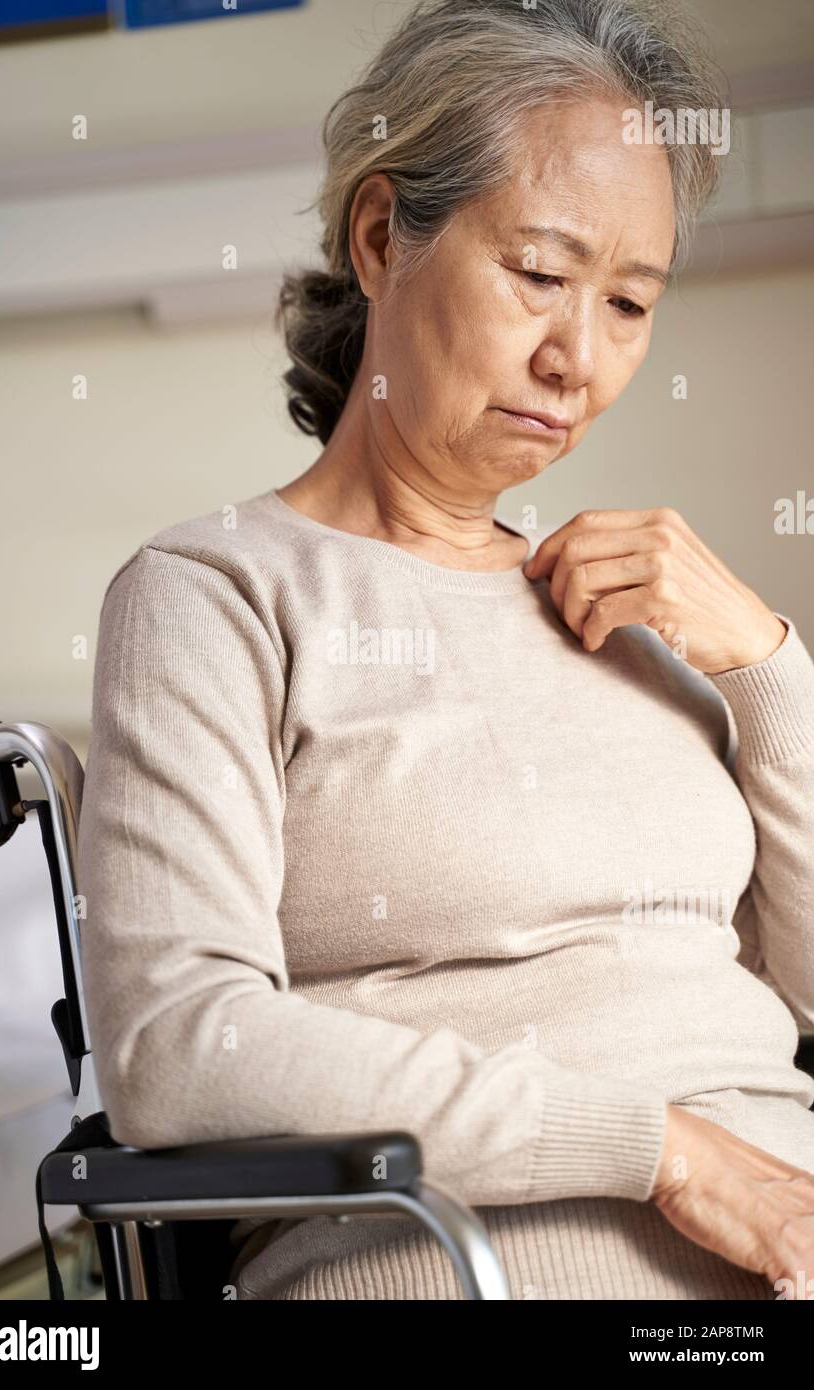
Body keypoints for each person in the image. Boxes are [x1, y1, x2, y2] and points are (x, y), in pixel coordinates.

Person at [78, 0, 814, 1299]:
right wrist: (657, 1151)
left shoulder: (645, 629)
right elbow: (182, 1046)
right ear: (381, 238)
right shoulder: (216, 596)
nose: (577, 359)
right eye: (538, 274)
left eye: (628, 302)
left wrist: (764, 665)